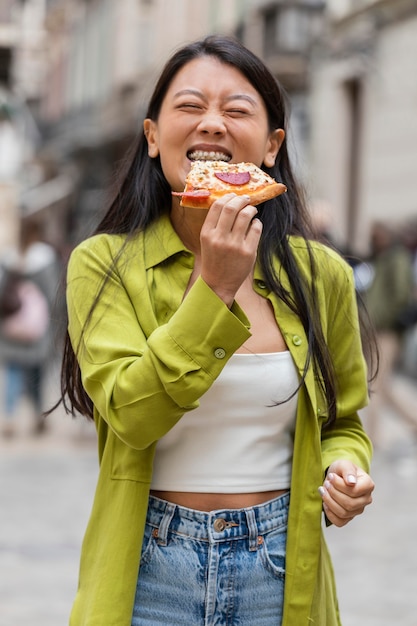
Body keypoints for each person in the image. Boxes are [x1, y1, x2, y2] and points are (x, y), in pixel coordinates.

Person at [58, 36, 375, 625]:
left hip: (279, 569)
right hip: (148, 571)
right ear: (153, 137)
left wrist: (344, 471)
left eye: (236, 110)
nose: (212, 125)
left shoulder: (321, 274)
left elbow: (343, 422)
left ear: (272, 146)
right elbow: (131, 414)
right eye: (189, 106)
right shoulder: (101, 265)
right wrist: (215, 289)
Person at [0, 219, 60, 437]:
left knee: (13, 374)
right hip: (37, 329)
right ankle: (38, 416)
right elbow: (53, 295)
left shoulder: (9, 258)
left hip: (11, 329)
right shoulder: (45, 259)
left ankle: (9, 418)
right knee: (36, 375)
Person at [363, 220, 417, 446]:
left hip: (387, 332)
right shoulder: (382, 259)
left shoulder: (396, 259)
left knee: (374, 384)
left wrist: (380, 320)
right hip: (375, 330)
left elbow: (400, 296)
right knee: (383, 385)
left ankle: (371, 438)